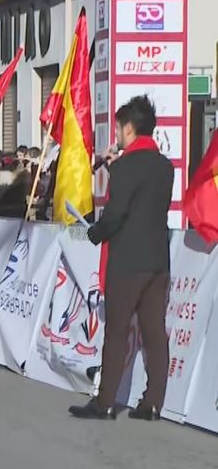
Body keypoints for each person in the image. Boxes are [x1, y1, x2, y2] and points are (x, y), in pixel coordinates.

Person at [71, 96, 173, 421]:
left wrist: (96, 231)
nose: (116, 133)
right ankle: (152, 402)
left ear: (128, 128)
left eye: (117, 127)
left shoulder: (126, 166)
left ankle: (105, 402)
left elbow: (116, 214)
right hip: (158, 259)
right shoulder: (165, 166)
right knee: (154, 331)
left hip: (128, 261)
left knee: (116, 331)